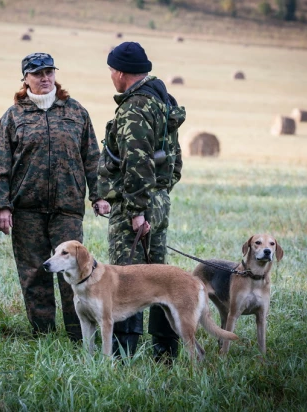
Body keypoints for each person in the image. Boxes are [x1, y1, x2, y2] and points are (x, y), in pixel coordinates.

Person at [0, 52, 110, 342]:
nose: (45, 78)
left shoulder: (76, 112)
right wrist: (1, 206)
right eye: (37, 73)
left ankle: (77, 335)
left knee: (74, 272)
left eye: (49, 72)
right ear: (25, 79)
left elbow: (92, 158)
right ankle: (42, 335)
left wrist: (100, 196)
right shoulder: (13, 116)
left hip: (67, 209)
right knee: (33, 274)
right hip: (26, 209)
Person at [97, 42, 186, 361]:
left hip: (136, 204)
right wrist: (161, 192)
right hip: (158, 199)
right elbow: (174, 159)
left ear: (121, 73)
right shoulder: (163, 101)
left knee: (124, 277)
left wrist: (136, 211)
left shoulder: (135, 107)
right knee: (160, 278)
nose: (110, 76)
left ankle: (124, 351)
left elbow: (135, 162)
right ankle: (165, 351)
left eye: (111, 71)